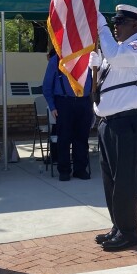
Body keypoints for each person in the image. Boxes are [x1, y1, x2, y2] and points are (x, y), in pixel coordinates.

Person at [90, 5, 137, 252]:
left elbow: (115, 56)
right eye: (114, 23)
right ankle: (119, 225)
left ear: (135, 26)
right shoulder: (117, 51)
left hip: (131, 121)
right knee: (111, 179)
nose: (116, 26)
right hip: (110, 121)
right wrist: (96, 66)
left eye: (121, 23)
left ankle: (129, 231)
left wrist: (101, 25)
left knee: (126, 178)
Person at [42, 48, 93, 181]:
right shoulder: (57, 60)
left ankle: (80, 169)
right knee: (64, 138)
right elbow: (47, 86)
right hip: (64, 102)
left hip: (84, 101)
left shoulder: (88, 58)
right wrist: (52, 106)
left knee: (82, 138)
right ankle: (64, 170)